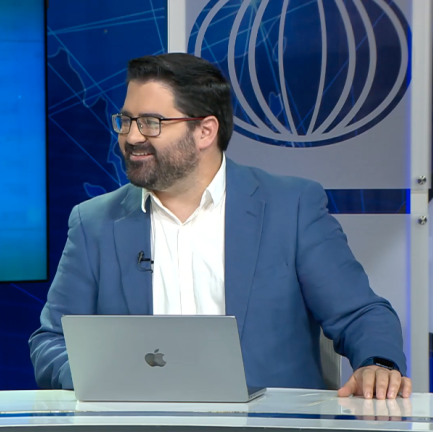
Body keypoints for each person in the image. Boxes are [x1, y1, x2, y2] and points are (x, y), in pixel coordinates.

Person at [29, 53, 412, 400]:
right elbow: (50, 341)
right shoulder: (94, 223)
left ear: (205, 132)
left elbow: (361, 313)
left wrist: (378, 364)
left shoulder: (290, 208)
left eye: (150, 123)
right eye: (126, 121)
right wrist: (104, 379)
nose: (131, 137)